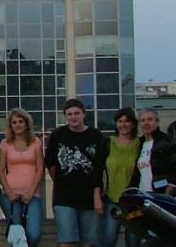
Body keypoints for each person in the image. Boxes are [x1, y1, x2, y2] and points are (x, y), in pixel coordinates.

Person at [45, 99, 107, 247]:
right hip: (64, 196)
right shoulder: (57, 135)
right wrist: (61, 182)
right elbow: (51, 164)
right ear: (65, 116)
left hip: (90, 196)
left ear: (84, 114)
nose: (73, 117)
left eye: (77, 113)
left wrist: (97, 195)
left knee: (90, 242)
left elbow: (99, 168)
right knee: (67, 241)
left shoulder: (96, 136)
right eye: (70, 114)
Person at [0, 108, 44, 247]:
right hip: (11, 195)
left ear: (26, 123)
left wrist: (30, 192)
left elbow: (40, 168)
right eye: (14, 122)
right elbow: (0, 170)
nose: (18, 124)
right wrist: (9, 192)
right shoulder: (5, 144)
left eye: (20, 121)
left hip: (32, 194)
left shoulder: (36, 142)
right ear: (10, 125)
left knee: (33, 234)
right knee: (17, 233)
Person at [100, 108, 141, 247]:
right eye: (120, 121)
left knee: (133, 241)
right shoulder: (108, 143)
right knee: (108, 239)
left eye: (127, 121)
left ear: (133, 124)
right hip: (112, 199)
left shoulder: (140, 144)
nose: (123, 124)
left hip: (134, 202)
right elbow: (97, 169)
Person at [133, 108, 176, 194]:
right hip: (143, 194)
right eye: (142, 120)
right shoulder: (140, 144)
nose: (146, 123)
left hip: (160, 194)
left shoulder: (166, 142)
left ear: (157, 122)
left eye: (150, 119)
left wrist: (169, 187)